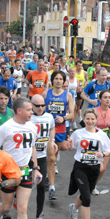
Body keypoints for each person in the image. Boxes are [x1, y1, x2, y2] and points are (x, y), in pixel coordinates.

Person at [0, 98, 42, 219]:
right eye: (29, 110)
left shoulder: (32, 126)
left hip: (26, 171)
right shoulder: (6, 128)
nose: (32, 112)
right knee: (6, 206)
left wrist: (35, 168)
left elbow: (32, 147)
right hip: (8, 173)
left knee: (22, 208)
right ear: (19, 111)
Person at [68, 109, 110, 219]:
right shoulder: (78, 133)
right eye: (87, 119)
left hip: (94, 169)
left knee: (85, 194)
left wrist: (103, 154)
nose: (90, 121)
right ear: (83, 120)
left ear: (96, 120)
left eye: (92, 119)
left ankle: (73, 208)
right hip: (80, 167)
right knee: (87, 198)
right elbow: (71, 147)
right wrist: (69, 145)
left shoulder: (101, 135)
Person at [43, 70, 74, 200]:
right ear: (52, 80)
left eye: (61, 79)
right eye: (56, 78)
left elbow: (73, 114)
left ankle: (47, 175)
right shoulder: (46, 93)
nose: (58, 81)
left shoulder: (68, 95)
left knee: (53, 157)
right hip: (47, 130)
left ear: (64, 81)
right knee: (51, 159)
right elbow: (38, 110)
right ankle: (52, 187)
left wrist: (64, 118)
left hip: (61, 130)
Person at [30, 95, 56, 219]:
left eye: (42, 105)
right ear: (32, 105)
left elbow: (52, 128)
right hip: (26, 157)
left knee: (41, 186)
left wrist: (51, 140)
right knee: (21, 184)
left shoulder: (49, 117)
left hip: (41, 156)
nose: (40, 108)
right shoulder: (28, 117)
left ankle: (38, 217)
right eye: (37, 106)